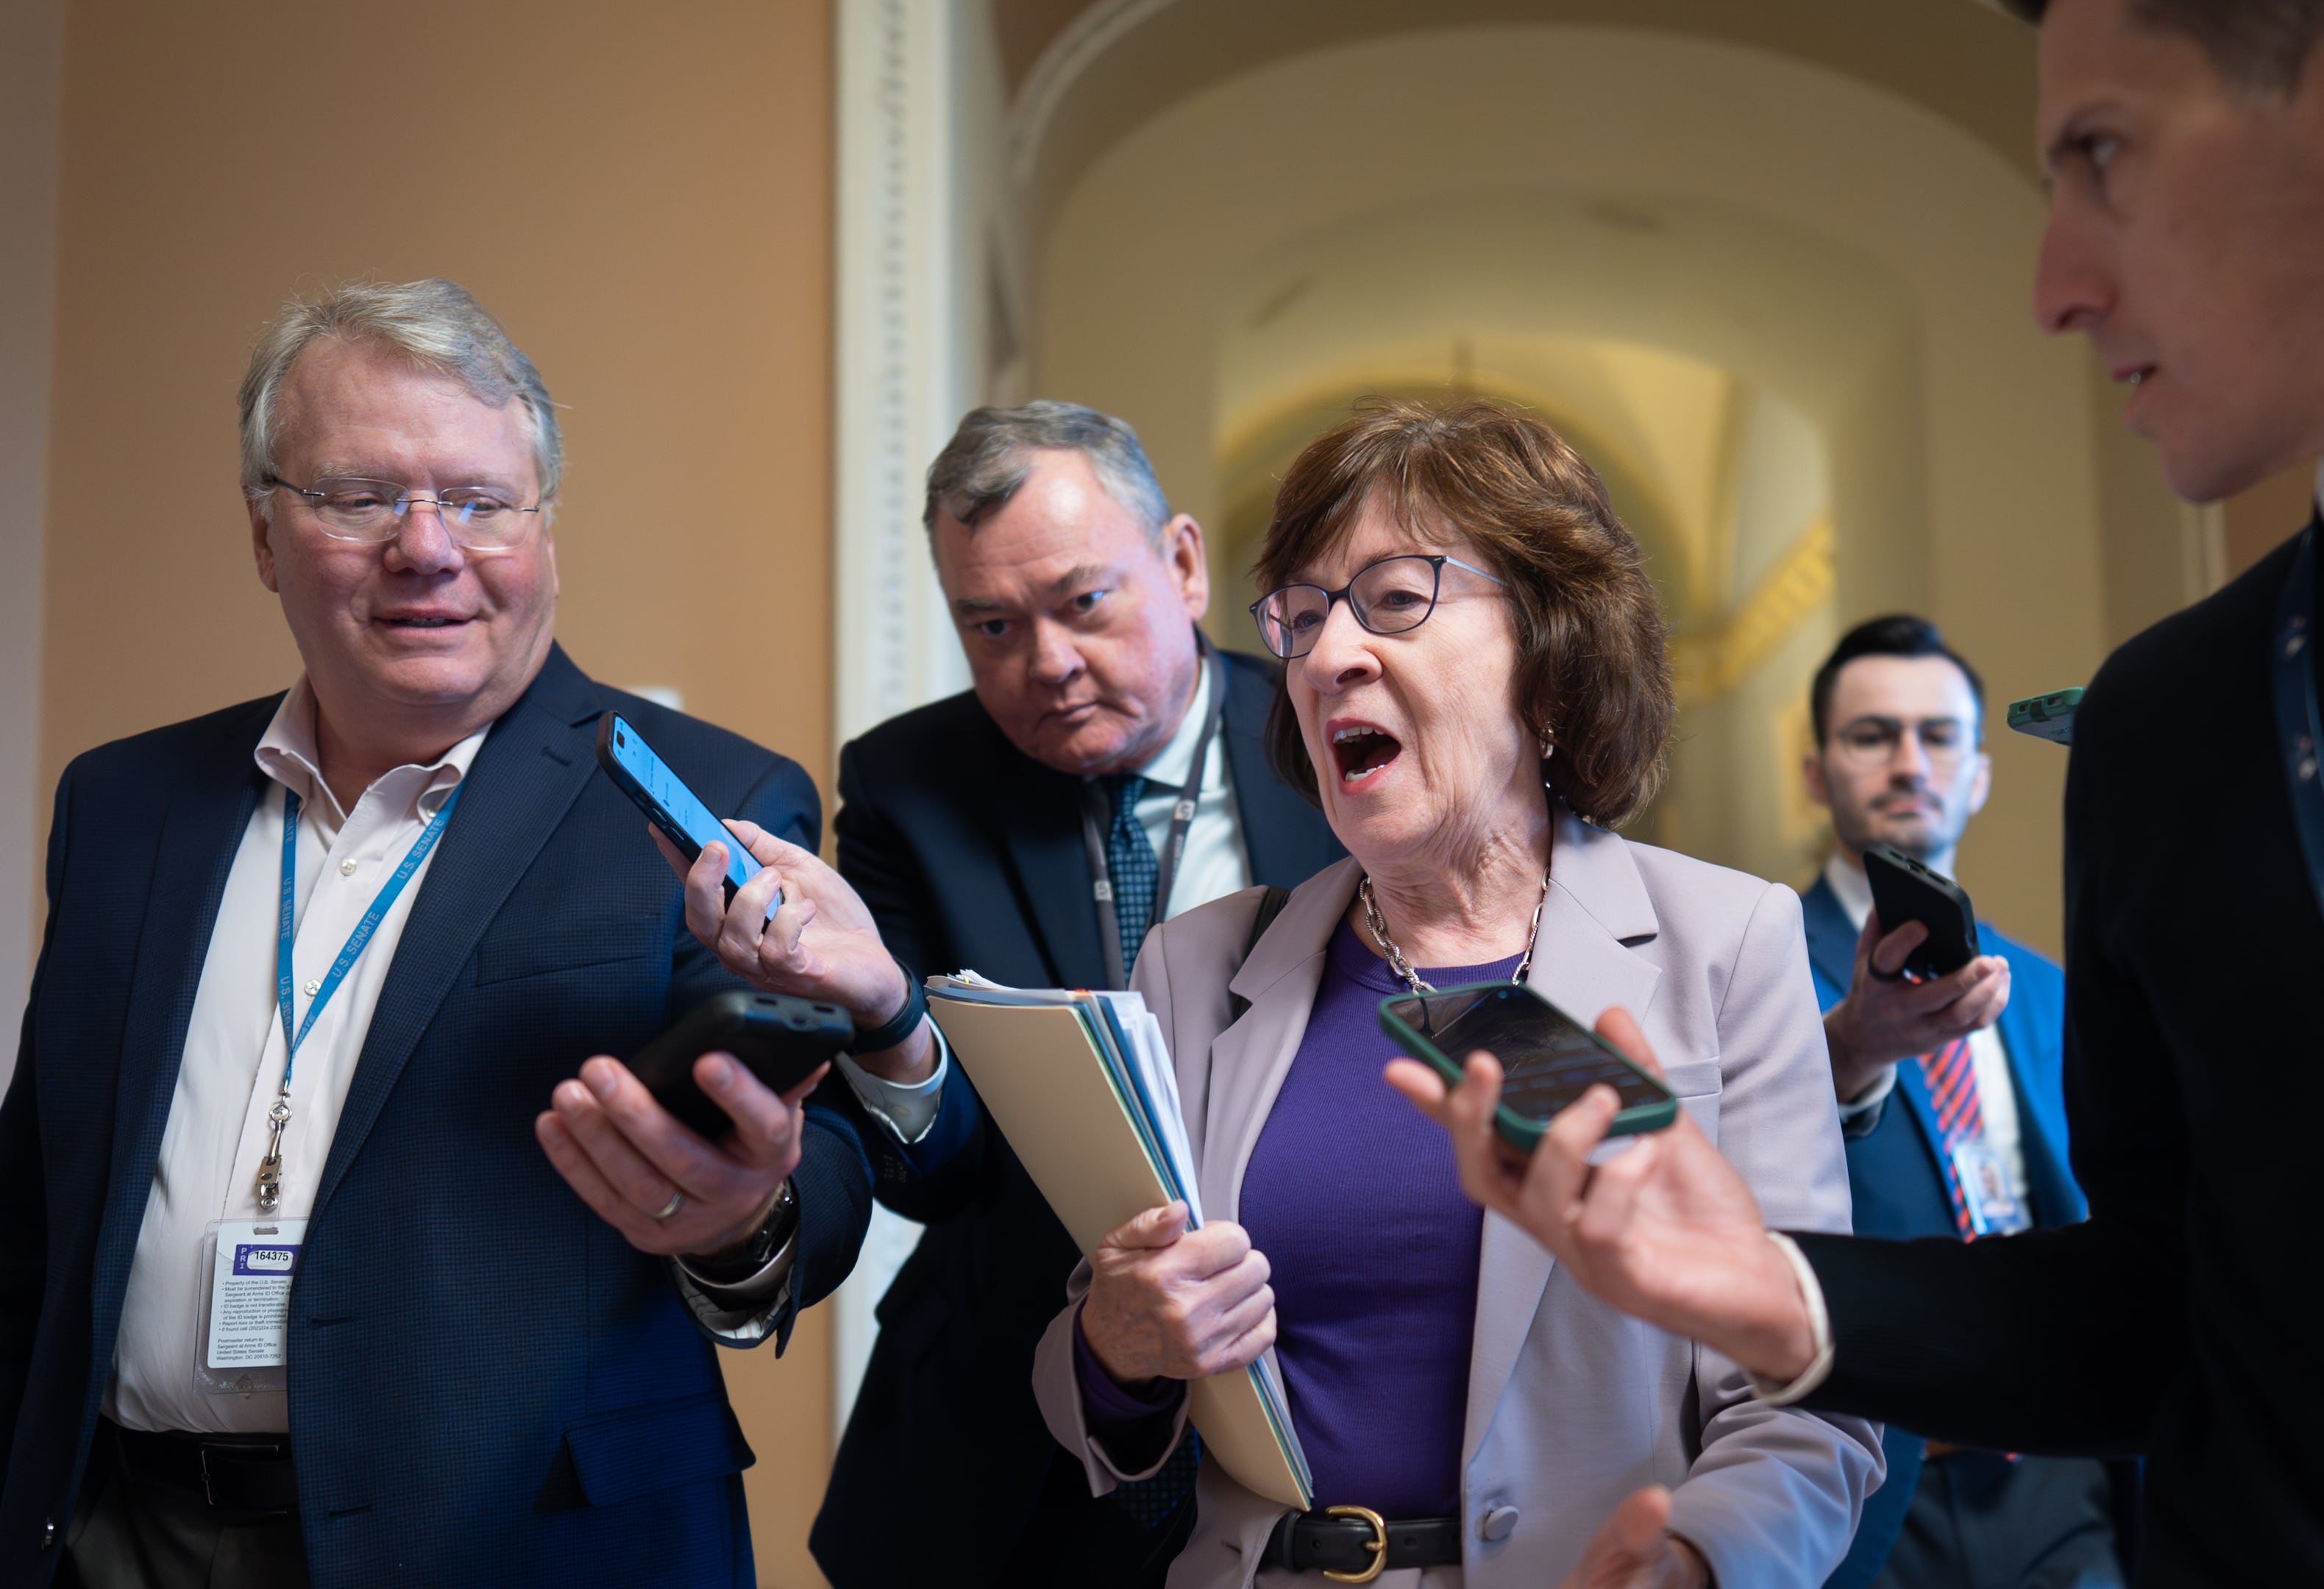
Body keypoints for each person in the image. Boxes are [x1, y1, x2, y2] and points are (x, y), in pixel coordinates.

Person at [1390, 1, 2324, 1584]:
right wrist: (1783, 1292)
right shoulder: (2171, 716)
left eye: (2100, 154)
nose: (2053, 283)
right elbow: (2165, 1310)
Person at [0, 280, 894, 1587]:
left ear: (544, 529)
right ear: (263, 534)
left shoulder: (711, 803)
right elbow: (41, 1197)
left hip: (516, 1549)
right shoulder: (123, 805)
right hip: (118, 1536)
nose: (427, 547)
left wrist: (736, 1220)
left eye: (479, 501)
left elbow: (822, 1172)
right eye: (360, 497)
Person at [1028, 397, 1882, 1589]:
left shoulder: (1726, 944)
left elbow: (1809, 1403)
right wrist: (1117, 1348)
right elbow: (1094, 1389)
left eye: (1394, 599)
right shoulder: (1196, 965)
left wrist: (1692, 1562)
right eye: (1307, 617)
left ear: (1551, 646)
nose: (1330, 657)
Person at [699, 401, 1347, 1588]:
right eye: (990, 625)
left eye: (1082, 602)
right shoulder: (907, 787)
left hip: (1310, 1417)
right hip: (998, 1462)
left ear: (1185, 564)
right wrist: (892, 1013)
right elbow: (933, 1176)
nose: (1043, 662)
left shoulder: (1330, 737)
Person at [1797, 616, 2119, 1589]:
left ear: (1978, 774)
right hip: (1876, 1483)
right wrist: (1852, 1047)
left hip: (2058, 1476)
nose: (1908, 761)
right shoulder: (1752, 963)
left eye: (1938, 737)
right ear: (1817, 774)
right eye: (1872, 735)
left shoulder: (2048, 987)